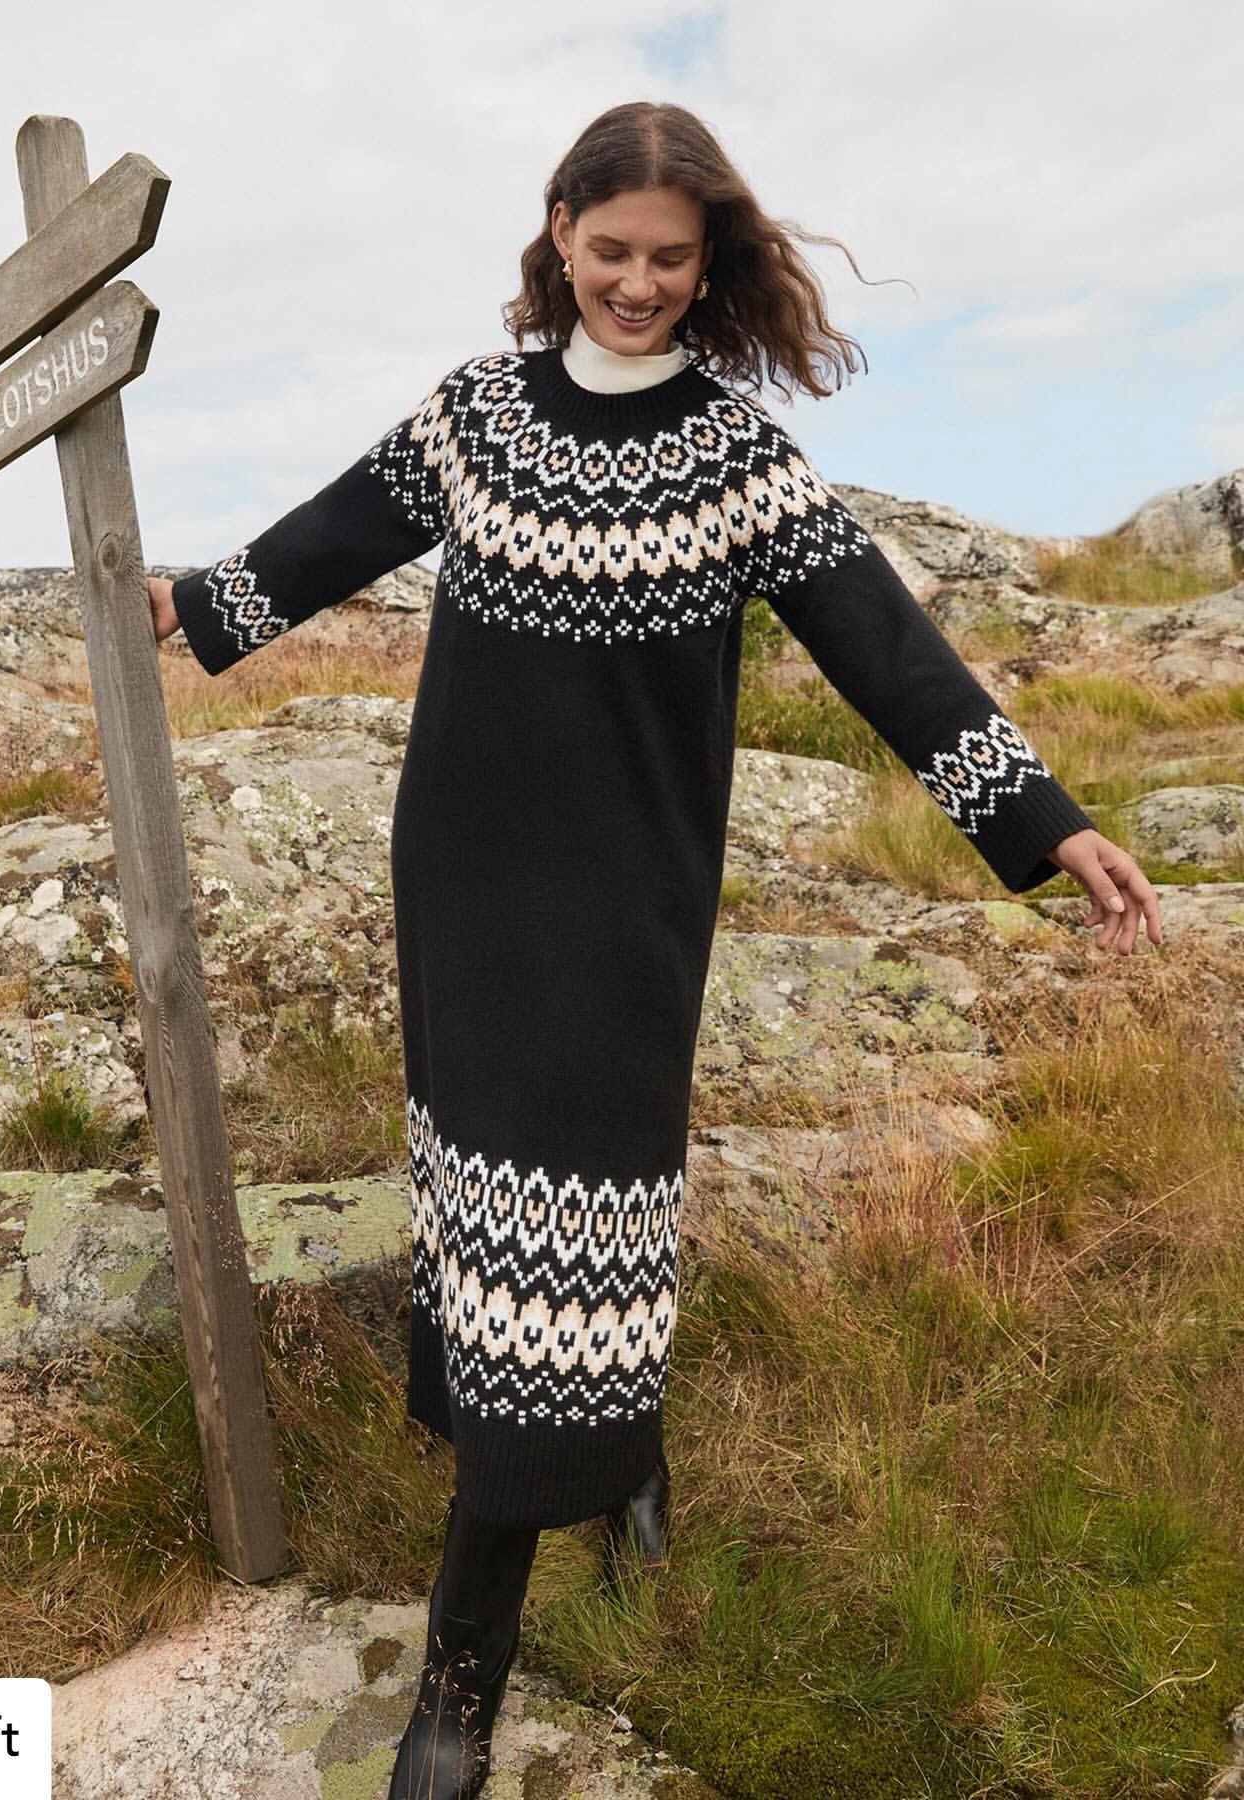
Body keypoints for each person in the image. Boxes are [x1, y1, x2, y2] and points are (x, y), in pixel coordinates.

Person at [150, 100, 1163, 1800]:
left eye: (670, 261)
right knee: (488, 1215)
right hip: (466, 886)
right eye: (610, 250)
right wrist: (189, 602)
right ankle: (603, 1486)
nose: (636, 283)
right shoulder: (477, 413)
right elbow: (331, 537)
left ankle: (460, 1678)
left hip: (627, 907)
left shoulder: (736, 458)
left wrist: (1046, 820)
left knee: (579, 1236)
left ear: (712, 264)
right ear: (560, 232)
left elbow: (887, 651)